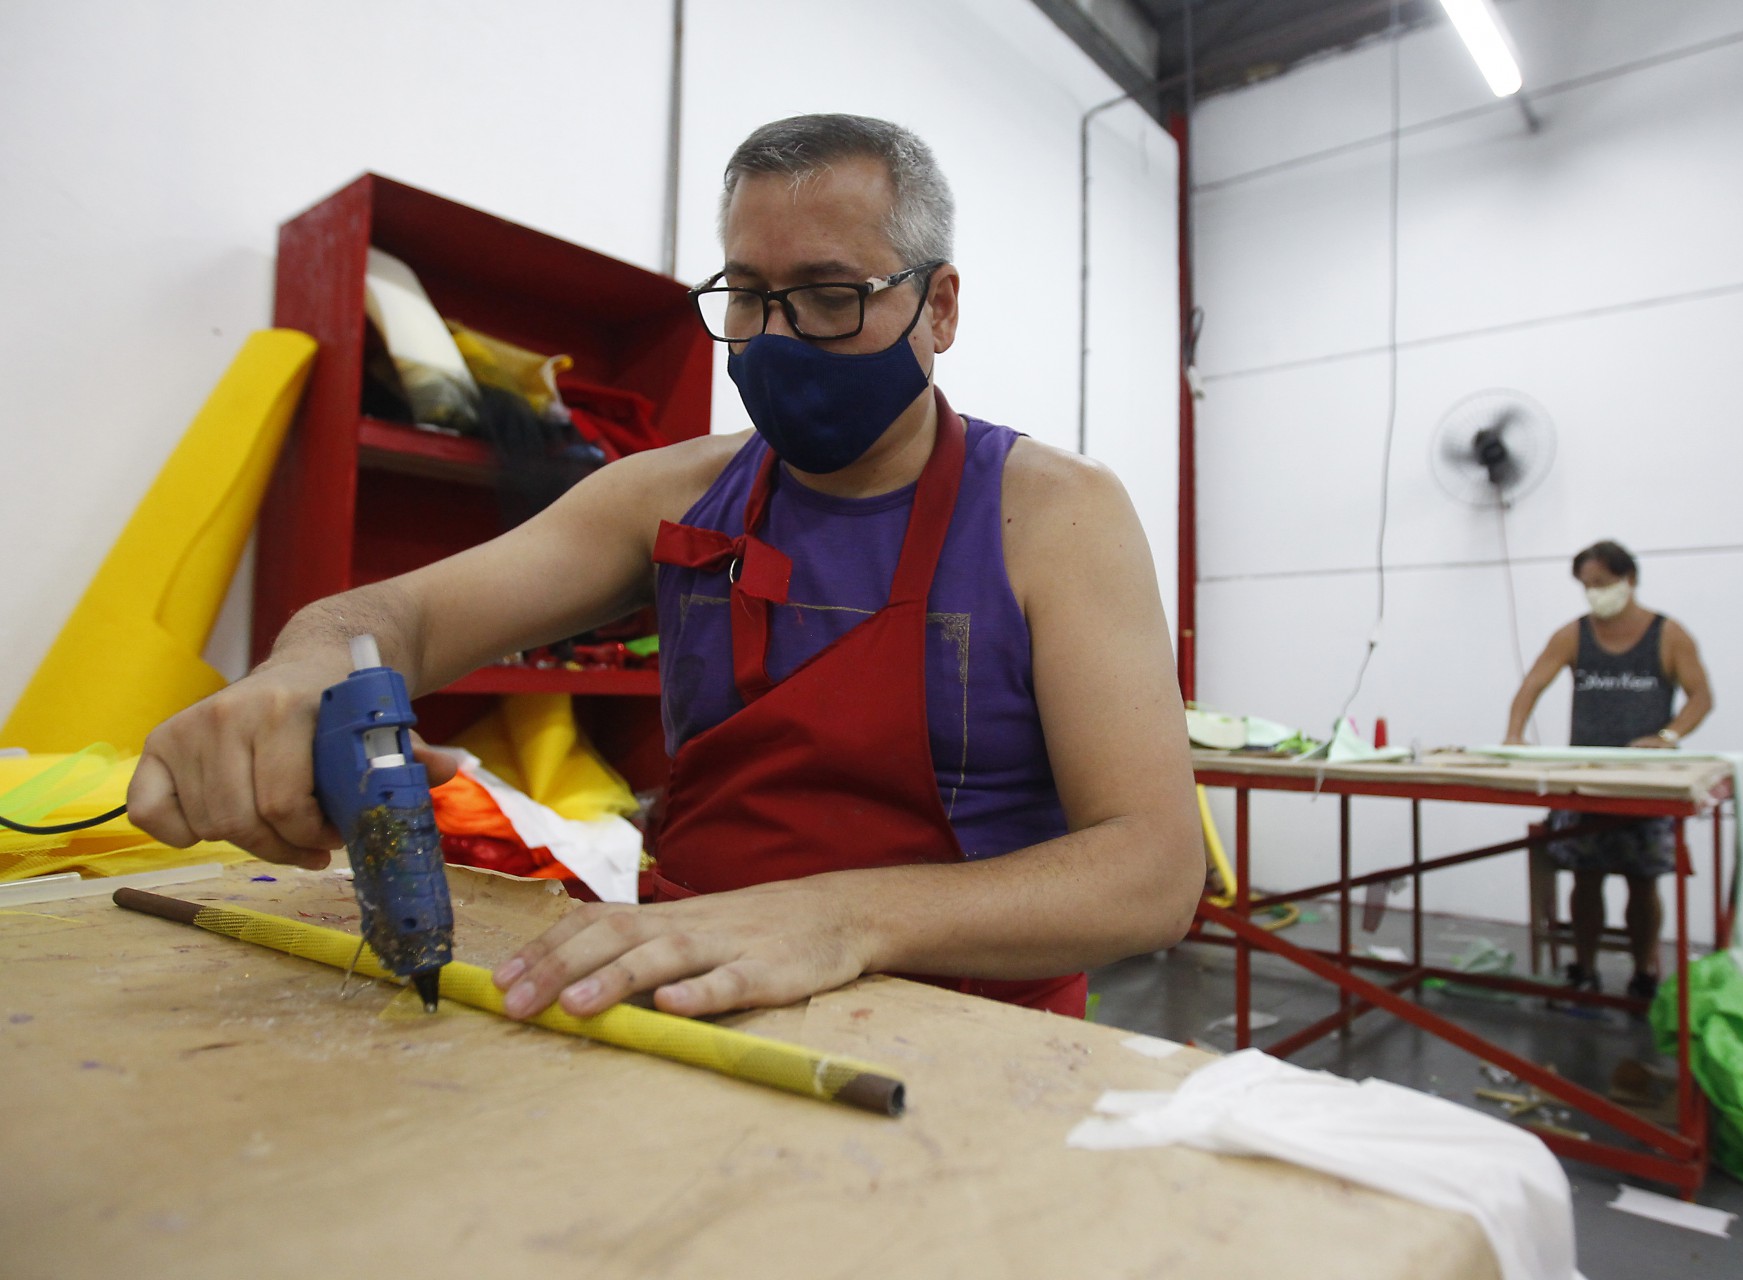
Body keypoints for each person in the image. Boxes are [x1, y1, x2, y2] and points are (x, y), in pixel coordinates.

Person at [126, 114, 1201, 1022]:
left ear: (941, 305)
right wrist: (300, 673)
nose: (777, 337)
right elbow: (392, 617)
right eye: (749, 294)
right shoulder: (670, 494)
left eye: (830, 294)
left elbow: (1152, 869)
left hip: (971, 1029)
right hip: (683, 991)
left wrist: (842, 914)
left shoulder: (1056, 515)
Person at [1503, 539, 1713, 1000]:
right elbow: (1531, 685)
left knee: (1643, 881)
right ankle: (1583, 965)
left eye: (1602, 583)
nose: (1595, 593)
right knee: (1586, 875)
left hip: (1645, 782)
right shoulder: (1573, 636)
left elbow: (1701, 697)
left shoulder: (1668, 635)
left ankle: (1644, 970)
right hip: (1586, 778)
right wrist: (1514, 736)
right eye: (1586, 586)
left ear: (1628, 580)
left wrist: (1669, 737)